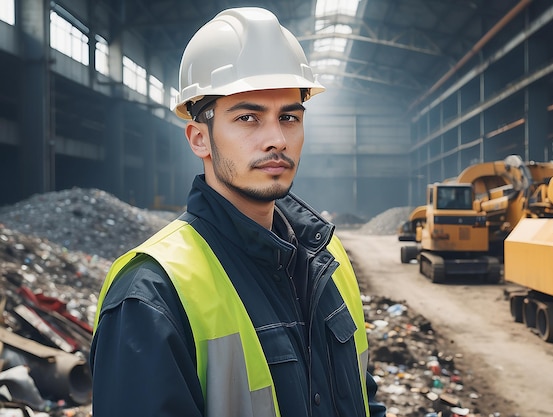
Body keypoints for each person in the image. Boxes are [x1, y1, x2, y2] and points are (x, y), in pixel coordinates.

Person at [89, 7, 386, 417]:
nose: (276, 139)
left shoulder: (329, 260)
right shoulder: (152, 294)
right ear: (199, 138)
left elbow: (363, 395)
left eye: (289, 117)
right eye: (248, 118)